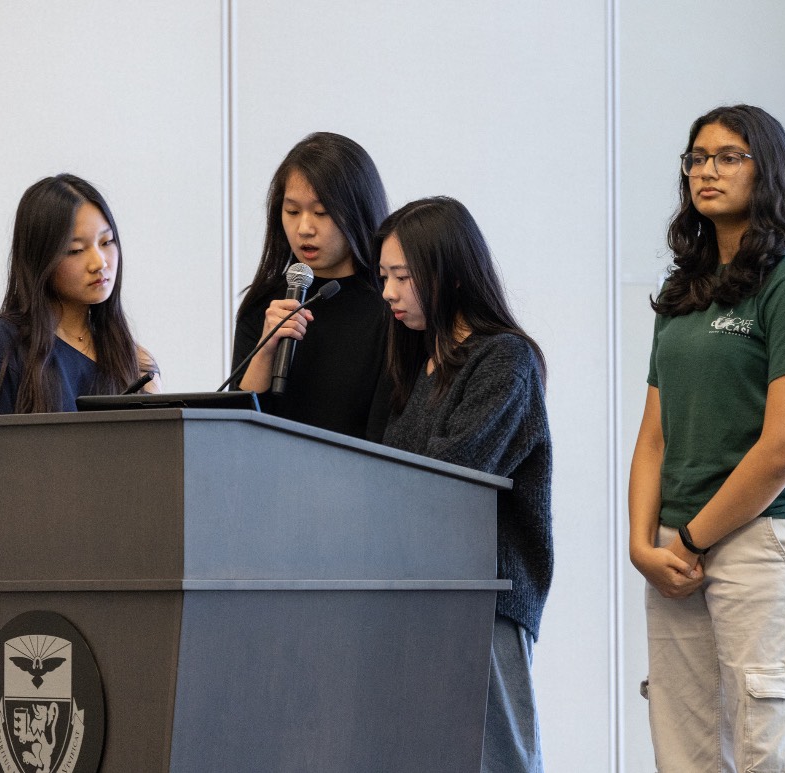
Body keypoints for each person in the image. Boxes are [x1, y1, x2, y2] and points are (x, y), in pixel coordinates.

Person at [628, 105, 785, 772]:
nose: (706, 170)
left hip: (761, 539)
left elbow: (783, 446)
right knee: (685, 754)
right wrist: (645, 546)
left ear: (766, 169)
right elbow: (654, 433)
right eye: (696, 157)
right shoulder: (682, 290)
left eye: (728, 156)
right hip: (674, 552)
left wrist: (693, 540)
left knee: (770, 752)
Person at [376, 196, 552, 773]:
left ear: (449, 274)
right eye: (384, 277)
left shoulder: (505, 359)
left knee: (498, 760)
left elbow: (453, 469)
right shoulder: (423, 362)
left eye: (402, 277)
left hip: (486, 597)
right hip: (423, 592)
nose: (388, 293)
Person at [0, 174, 160, 415]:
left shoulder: (135, 360)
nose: (98, 262)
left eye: (107, 242)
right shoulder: (1, 343)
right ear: (41, 259)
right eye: (76, 250)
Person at [230, 132, 390, 439]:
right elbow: (240, 428)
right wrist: (265, 350)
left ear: (358, 210)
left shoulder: (391, 305)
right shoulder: (265, 304)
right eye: (292, 211)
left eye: (321, 213)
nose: (304, 228)